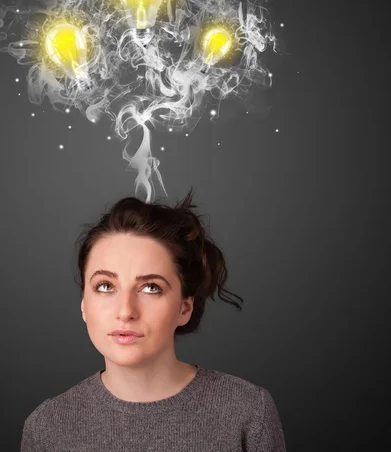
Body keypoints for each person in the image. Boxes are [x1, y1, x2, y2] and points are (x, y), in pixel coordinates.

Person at [20, 188, 287, 451]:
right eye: (105, 286)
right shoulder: (47, 428)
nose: (125, 311)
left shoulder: (248, 412)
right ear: (83, 304)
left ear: (185, 307)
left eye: (151, 287)